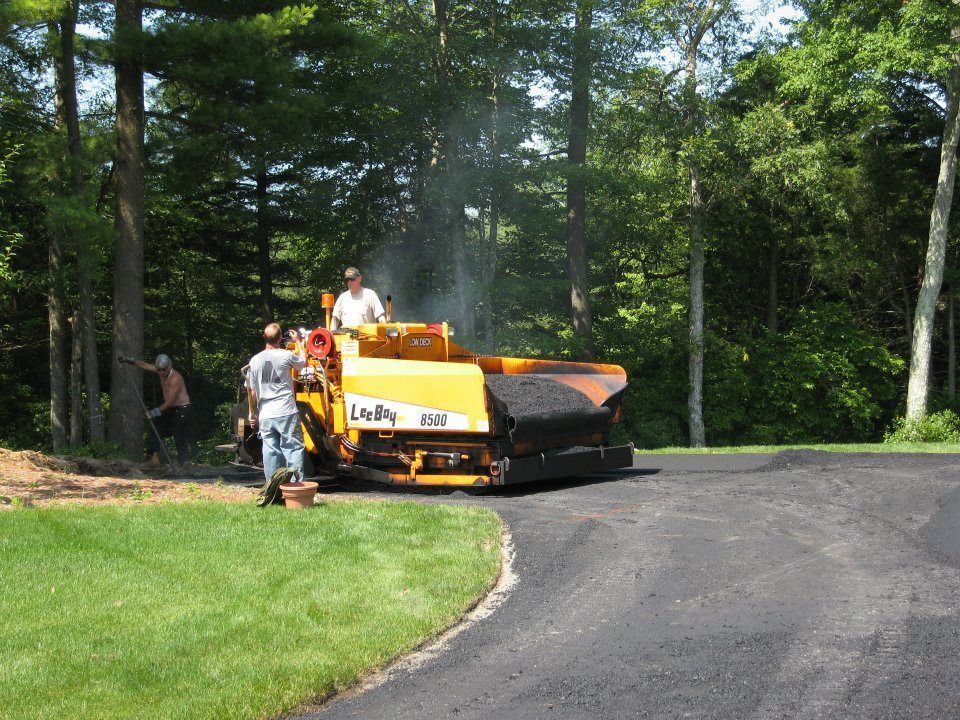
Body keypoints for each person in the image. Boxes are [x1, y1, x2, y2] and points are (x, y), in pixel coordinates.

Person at [246, 322, 307, 483]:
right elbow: (303, 363)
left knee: (270, 451)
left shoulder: (254, 361)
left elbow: (251, 391)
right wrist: (298, 342)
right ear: (280, 338)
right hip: (286, 410)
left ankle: (272, 488)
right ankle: (295, 488)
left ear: (264, 337)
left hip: (266, 413)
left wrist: (251, 413)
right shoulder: (286, 355)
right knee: (293, 448)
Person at [119, 353, 192, 466]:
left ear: (169, 366)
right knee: (156, 428)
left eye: (163, 369)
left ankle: (185, 462)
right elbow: (144, 365)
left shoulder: (176, 378)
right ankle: (153, 457)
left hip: (181, 408)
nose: (161, 372)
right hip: (169, 408)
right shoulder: (160, 370)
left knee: (178, 433)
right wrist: (128, 360)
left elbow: (171, 402)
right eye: (159, 370)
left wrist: (153, 412)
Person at [330, 266, 386, 330]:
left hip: (366, 335)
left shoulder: (370, 295)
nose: (349, 282)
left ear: (359, 279)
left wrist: (384, 332)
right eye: (347, 280)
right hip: (346, 335)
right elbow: (335, 319)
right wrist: (331, 334)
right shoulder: (342, 298)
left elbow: (381, 316)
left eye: (352, 279)